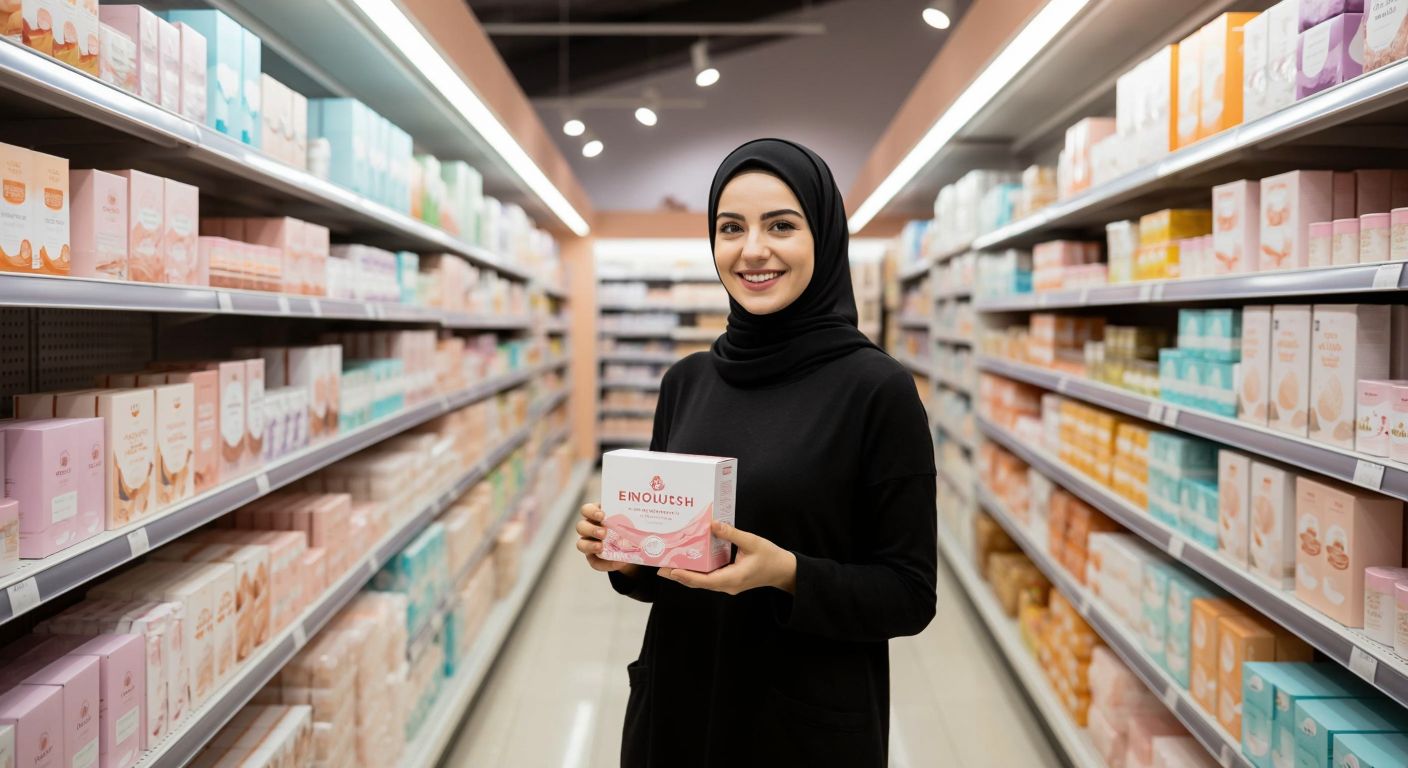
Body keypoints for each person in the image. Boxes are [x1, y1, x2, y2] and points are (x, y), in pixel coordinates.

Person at [577, 138, 937, 767]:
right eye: (730, 227)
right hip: (679, 703)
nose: (752, 250)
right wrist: (628, 555)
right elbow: (668, 574)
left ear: (823, 237)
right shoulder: (686, 381)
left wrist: (787, 573)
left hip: (801, 721)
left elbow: (909, 594)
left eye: (781, 225)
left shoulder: (876, 389)